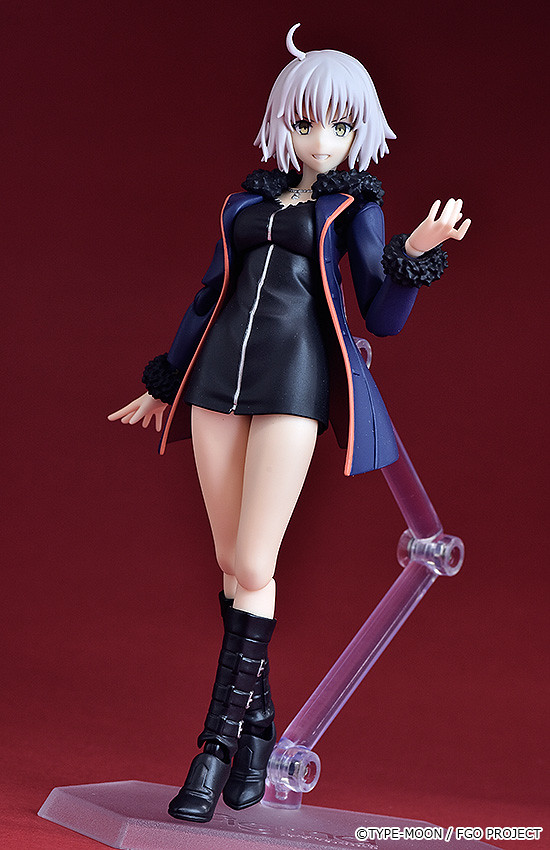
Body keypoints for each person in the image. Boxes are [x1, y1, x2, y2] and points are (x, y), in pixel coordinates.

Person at [108, 24, 470, 823]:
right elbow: (209, 294)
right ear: (284, 122)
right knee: (230, 562)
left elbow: (381, 313)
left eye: (340, 124)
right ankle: (260, 730)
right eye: (307, 121)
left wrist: (416, 250)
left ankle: (213, 749)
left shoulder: (353, 207)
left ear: (361, 129)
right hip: (215, 381)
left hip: (295, 383)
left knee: (254, 560)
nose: (322, 138)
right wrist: (165, 380)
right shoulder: (244, 201)